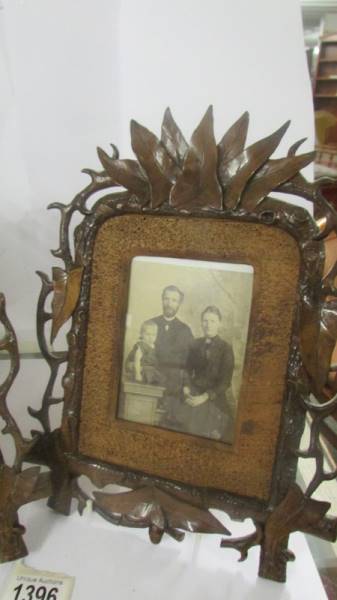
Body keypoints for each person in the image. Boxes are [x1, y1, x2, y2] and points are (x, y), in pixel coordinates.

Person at [182, 305, 234, 441]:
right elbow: (187, 369)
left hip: (214, 397)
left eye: (212, 321)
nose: (208, 325)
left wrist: (204, 397)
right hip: (194, 392)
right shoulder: (194, 344)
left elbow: (225, 382)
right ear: (201, 322)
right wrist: (186, 387)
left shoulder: (226, 348)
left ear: (219, 324)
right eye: (205, 320)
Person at [151, 285, 194, 426]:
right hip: (153, 380)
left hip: (175, 385)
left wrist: (186, 385)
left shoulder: (185, 330)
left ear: (179, 303)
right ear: (162, 300)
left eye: (174, 300)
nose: (169, 303)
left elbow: (189, 363)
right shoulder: (151, 324)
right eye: (166, 299)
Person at [125, 320, 164, 385]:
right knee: (147, 371)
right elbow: (137, 360)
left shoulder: (154, 347)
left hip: (150, 370)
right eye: (148, 334)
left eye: (154, 335)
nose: (151, 337)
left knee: (155, 374)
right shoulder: (141, 346)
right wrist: (138, 374)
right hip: (140, 368)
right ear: (141, 334)